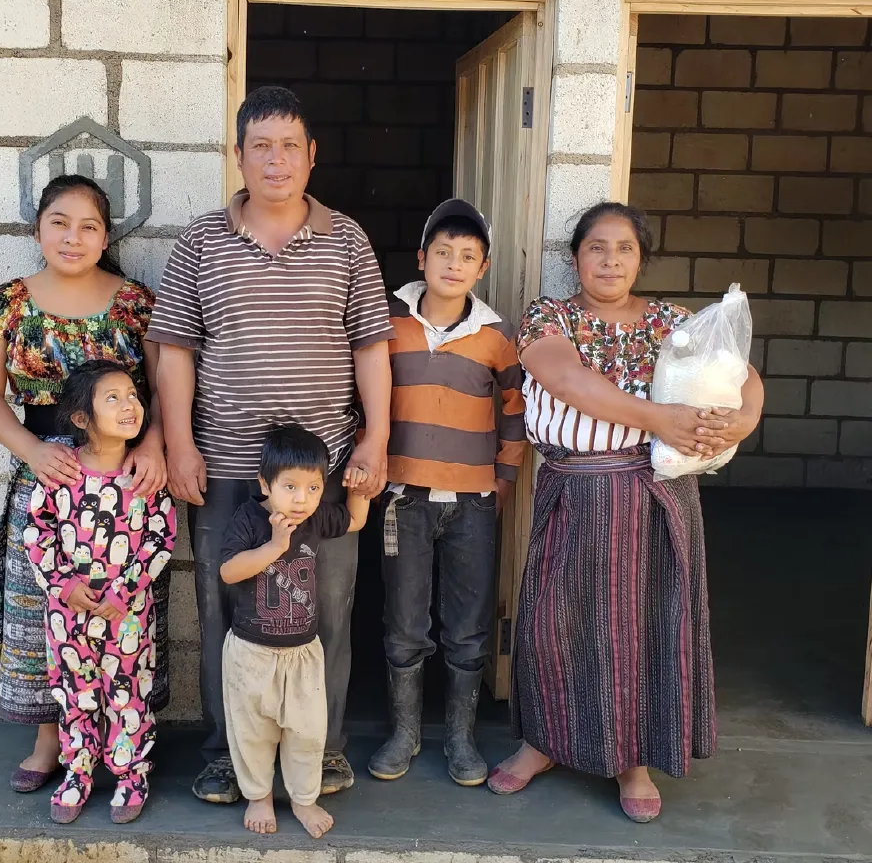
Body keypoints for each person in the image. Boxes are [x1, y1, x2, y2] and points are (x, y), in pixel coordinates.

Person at [147, 86, 393, 803]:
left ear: (312, 156)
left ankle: (323, 751)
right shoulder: (201, 240)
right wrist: (179, 443)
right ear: (239, 155)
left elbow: (372, 347)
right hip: (224, 467)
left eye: (290, 146)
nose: (276, 160)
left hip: (324, 473)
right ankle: (229, 754)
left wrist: (374, 442)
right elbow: (174, 352)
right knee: (228, 612)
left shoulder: (346, 239)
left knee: (326, 610)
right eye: (261, 145)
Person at [489, 202, 764, 822]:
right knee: (555, 622)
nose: (610, 260)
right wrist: (660, 419)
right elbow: (564, 381)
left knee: (641, 627)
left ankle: (632, 759)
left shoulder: (674, 322)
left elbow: (742, 374)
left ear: (641, 259)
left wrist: (742, 421)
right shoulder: (549, 317)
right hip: (574, 494)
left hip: (655, 501)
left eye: (624, 249)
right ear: (575, 257)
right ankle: (543, 743)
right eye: (596, 248)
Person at [0, 175, 169, 794]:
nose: (72, 237)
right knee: (46, 609)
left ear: (106, 235)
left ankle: (120, 744)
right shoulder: (9, 302)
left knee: (119, 608)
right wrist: (33, 452)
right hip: (47, 474)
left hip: (121, 481)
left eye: (88, 225)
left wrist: (156, 443)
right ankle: (49, 738)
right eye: (59, 222)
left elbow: (165, 388)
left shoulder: (135, 303)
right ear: (38, 228)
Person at [367, 200, 526, 788]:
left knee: (467, 623)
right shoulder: (387, 322)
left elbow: (516, 412)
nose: (453, 265)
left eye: (467, 257)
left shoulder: (495, 337)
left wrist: (504, 479)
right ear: (421, 259)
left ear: (481, 268)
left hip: (473, 504)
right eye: (443, 254)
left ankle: (461, 738)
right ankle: (404, 734)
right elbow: (363, 397)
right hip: (401, 499)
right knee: (405, 620)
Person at [24, 360, 176, 824]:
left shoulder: (145, 477)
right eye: (112, 398)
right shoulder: (61, 474)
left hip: (126, 614)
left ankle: (131, 774)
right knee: (76, 693)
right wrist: (64, 585)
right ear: (81, 419)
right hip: (67, 615)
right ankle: (78, 771)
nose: (129, 405)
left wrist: (124, 592)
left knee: (129, 692)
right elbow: (37, 534)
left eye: (133, 395)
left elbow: (160, 539)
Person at [220, 426, 371, 838]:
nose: (301, 499)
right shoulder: (250, 518)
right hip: (251, 652)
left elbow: (356, 518)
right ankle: (259, 795)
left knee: (307, 730)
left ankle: (304, 799)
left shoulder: (316, 517)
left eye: (313, 488)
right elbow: (229, 570)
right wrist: (272, 547)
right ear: (264, 484)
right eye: (289, 486)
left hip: (303, 652)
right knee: (253, 731)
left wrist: (358, 481)